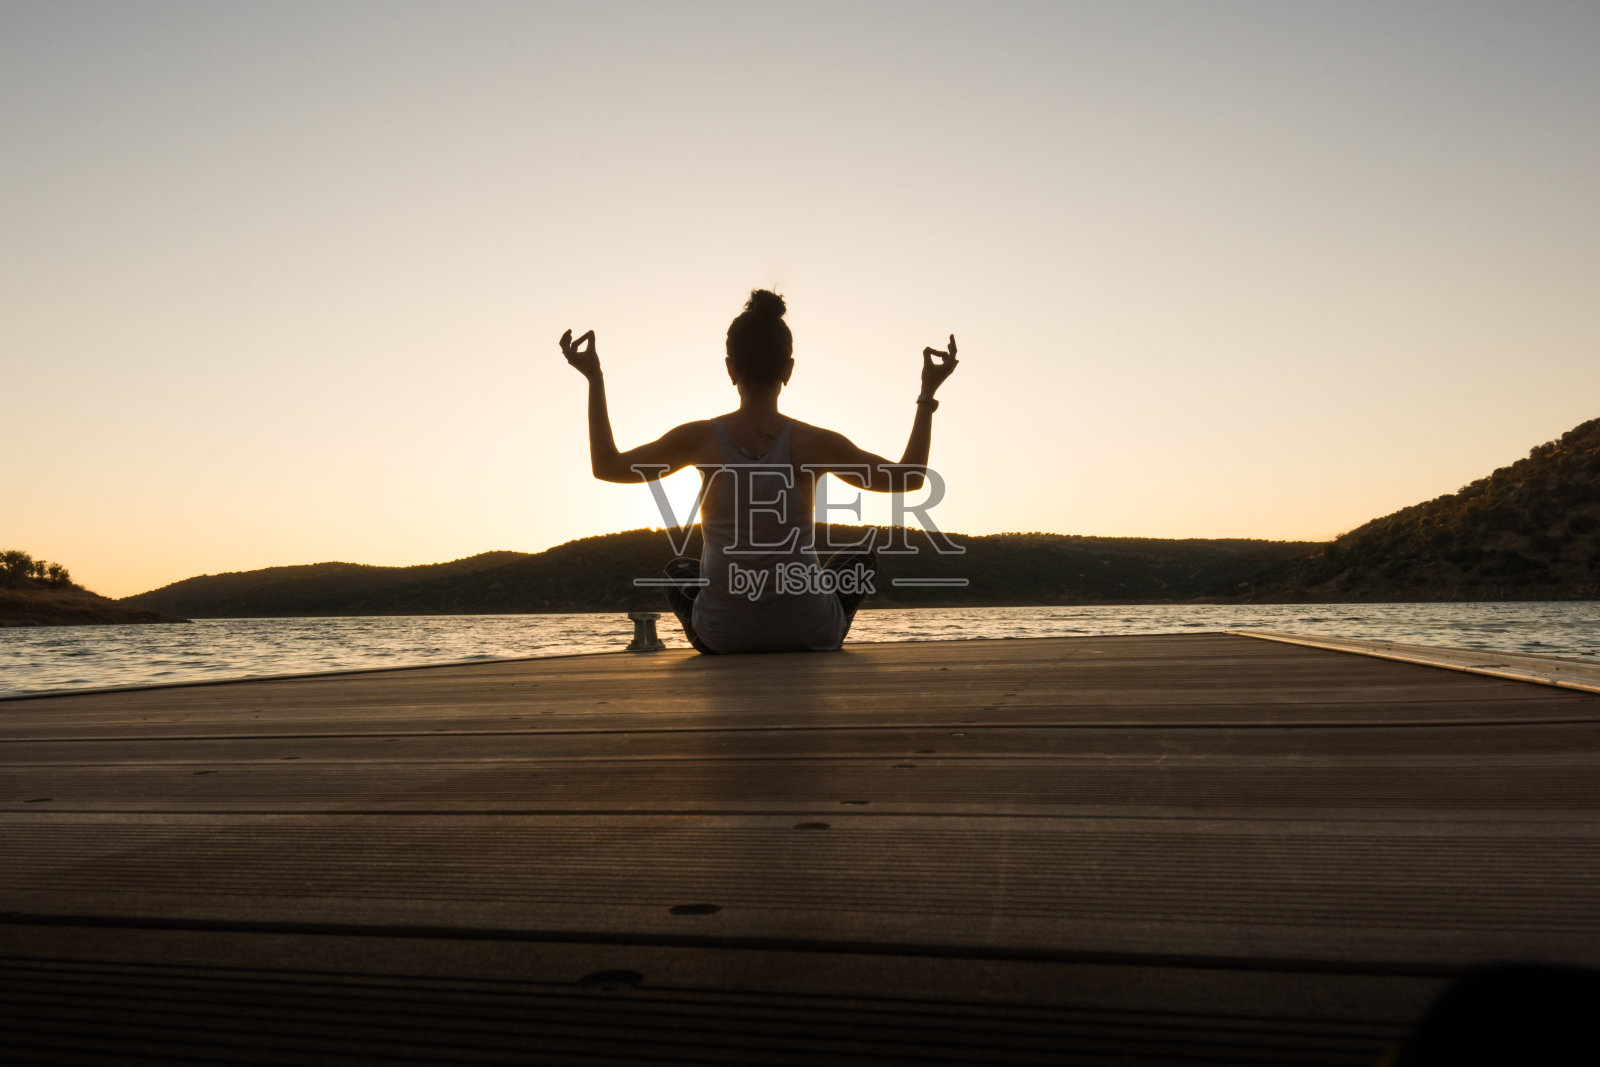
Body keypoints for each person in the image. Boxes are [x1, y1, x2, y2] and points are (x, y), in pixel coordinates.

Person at [560, 289, 957, 654]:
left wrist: (594, 378)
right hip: (812, 631)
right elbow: (910, 478)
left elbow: (607, 466)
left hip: (722, 637)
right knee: (860, 557)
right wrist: (927, 393)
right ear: (788, 369)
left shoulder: (698, 439)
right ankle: (802, 610)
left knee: (678, 570)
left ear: (731, 368)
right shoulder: (815, 442)